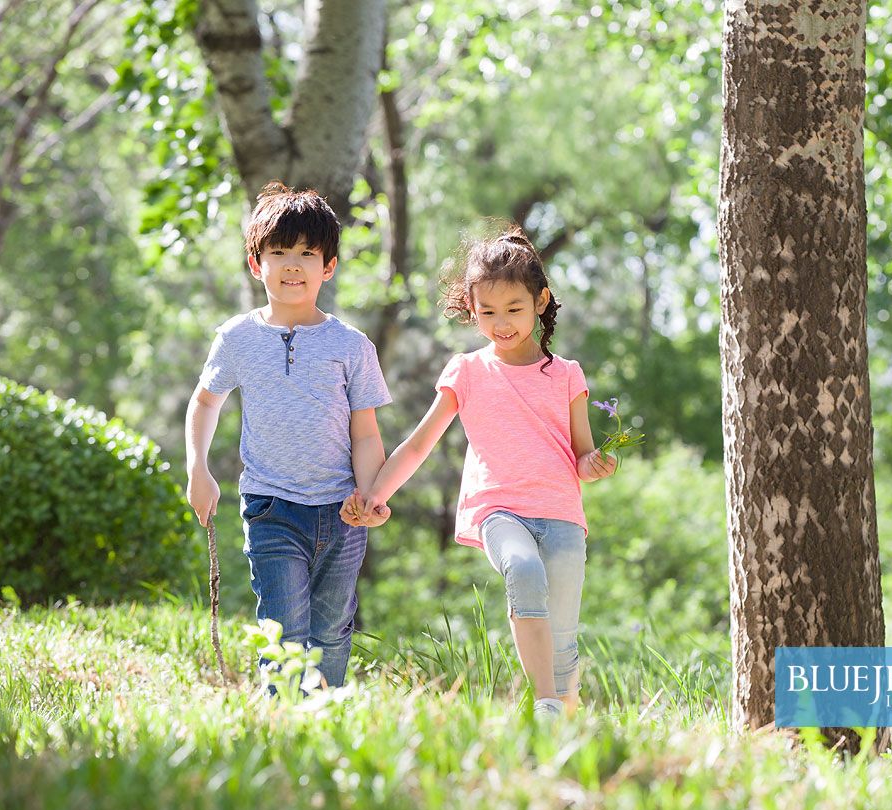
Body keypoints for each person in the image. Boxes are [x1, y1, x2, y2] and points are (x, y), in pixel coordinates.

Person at [343, 223, 618, 717]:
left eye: (513, 309)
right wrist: (376, 493)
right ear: (471, 308)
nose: (501, 322)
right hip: (499, 508)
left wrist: (595, 465)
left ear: (540, 301)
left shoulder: (566, 374)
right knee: (522, 569)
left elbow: (582, 455)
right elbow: (418, 445)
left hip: (560, 511)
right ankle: (545, 703)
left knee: (562, 634)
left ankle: (565, 722)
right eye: (486, 311)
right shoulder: (467, 371)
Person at [184, 181, 391, 689]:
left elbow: (365, 434)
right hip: (270, 506)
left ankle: (326, 719)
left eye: (307, 253)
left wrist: (370, 493)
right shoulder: (237, 337)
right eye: (279, 252)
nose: (293, 265)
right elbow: (205, 400)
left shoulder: (351, 345)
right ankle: (280, 723)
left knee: (332, 630)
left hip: (342, 513)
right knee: (283, 630)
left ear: (330, 267)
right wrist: (198, 469)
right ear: (257, 264)